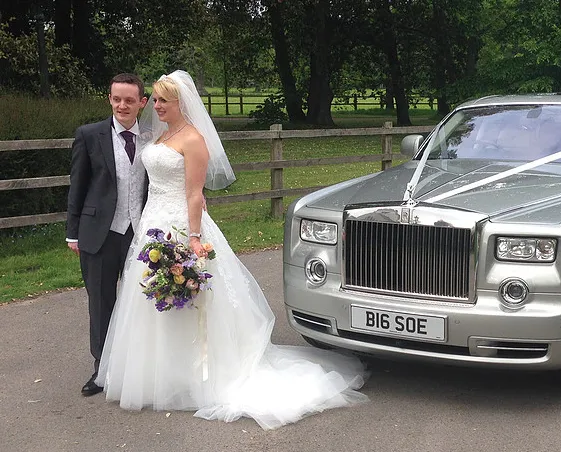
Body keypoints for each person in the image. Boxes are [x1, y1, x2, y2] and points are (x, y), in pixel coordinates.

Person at [95, 70, 368, 429]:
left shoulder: (193, 140)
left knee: (190, 299)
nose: (156, 105)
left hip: (180, 226)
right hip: (152, 222)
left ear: (182, 103)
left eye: (163, 100)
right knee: (149, 299)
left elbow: (193, 193)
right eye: (156, 99)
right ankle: (160, 373)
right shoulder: (161, 134)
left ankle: (197, 375)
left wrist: (193, 238)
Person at [66, 73, 149, 397]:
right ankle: (101, 370)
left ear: (142, 102)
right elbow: (78, 185)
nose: (122, 105)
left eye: (129, 100)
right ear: (109, 99)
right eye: (117, 99)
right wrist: (72, 233)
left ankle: (137, 366)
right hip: (98, 233)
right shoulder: (89, 135)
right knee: (101, 303)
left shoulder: (152, 139)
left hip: (139, 235)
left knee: (140, 302)